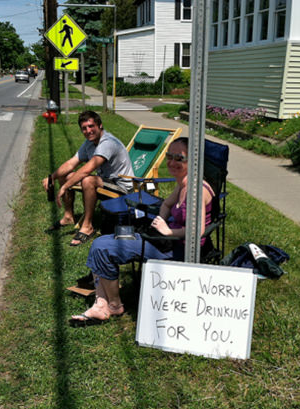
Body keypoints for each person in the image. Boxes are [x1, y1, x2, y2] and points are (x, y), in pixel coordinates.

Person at [69, 137, 215, 326]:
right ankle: (102, 303)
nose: (172, 162)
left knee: (103, 246)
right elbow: (167, 203)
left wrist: (169, 232)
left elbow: (198, 230)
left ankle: (112, 305)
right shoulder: (184, 183)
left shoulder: (196, 190)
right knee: (104, 241)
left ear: (194, 160)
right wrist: (161, 218)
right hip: (162, 239)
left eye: (179, 158)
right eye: (169, 156)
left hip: (179, 249)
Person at [42, 110, 135, 246]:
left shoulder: (107, 143)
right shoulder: (89, 143)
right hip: (105, 181)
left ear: (100, 126)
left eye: (91, 126)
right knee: (66, 175)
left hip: (121, 188)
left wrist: (65, 186)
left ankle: (87, 227)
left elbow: (88, 168)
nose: (88, 131)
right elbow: (71, 163)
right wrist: (52, 178)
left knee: (88, 179)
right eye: (84, 128)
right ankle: (68, 217)